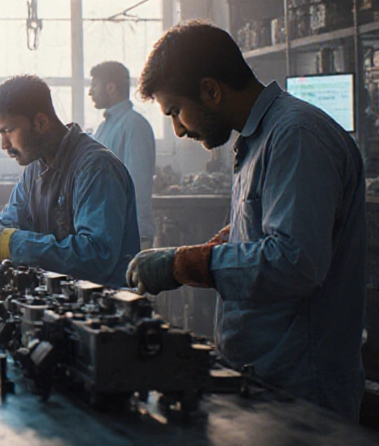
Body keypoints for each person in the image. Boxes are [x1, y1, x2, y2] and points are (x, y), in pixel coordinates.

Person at [126, 21, 365, 421]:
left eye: (176, 111)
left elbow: (294, 262)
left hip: (303, 387)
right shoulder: (259, 140)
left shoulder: (296, 136)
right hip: (265, 375)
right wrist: (200, 252)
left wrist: (184, 265)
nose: (178, 129)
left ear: (210, 90)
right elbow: (254, 235)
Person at [0, 75, 138, 286]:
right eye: (0, 134)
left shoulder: (96, 168)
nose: (4, 145)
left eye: (8, 131)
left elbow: (96, 257)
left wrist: (6, 242)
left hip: (107, 308)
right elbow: (9, 226)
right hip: (61, 304)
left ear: (41, 122)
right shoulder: (34, 170)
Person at [89, 61, 156, 249]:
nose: (90, 92)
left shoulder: (134, 125)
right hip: (106, 232)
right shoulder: (104, 128)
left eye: (94, 85)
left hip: (127, 235)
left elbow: (138, 186)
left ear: (110, 87)